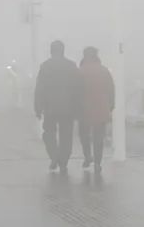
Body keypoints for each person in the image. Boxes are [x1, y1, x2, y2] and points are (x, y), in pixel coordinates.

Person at [34, 40, 80, 172]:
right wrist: (78, 107)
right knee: (66, 135)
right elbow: (78, 89)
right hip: (68, 108)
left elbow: (40, 88)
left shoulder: (45, 66)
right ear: (63, 50)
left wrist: (38, 108)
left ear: (51, 51)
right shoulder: (71, 66)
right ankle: (63, 160)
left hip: (50, 108)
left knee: (49, 133)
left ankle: (54, 155)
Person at [77, 46, 115, 172]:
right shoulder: (104, 71)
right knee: (98, 137)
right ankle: (98, 162)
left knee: (84, 134)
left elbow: (74, 91)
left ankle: (88, 156)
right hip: (101, 108)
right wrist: (110, 105)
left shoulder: (80, 71)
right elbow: (111, 90)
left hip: (83, 109)